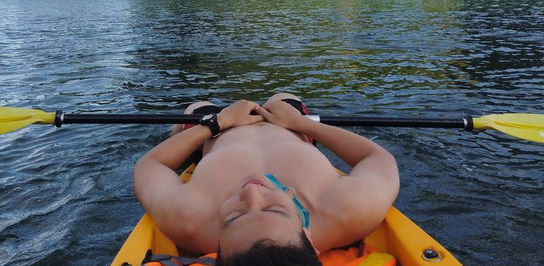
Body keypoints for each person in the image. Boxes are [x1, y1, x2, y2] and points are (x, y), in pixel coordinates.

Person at [133, 94, 400, 264]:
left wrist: (217, 123)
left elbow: (150, 164)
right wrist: (303, 124)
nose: (252, 188)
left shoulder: (189, 220)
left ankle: (201, 116)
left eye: (233, 218)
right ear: (307, 237)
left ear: (216, 252)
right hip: (290, 125)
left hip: (213, 133)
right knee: (283, 98)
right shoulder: (349, 210)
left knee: (195, 107)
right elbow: (378, 158)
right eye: (275, 208)